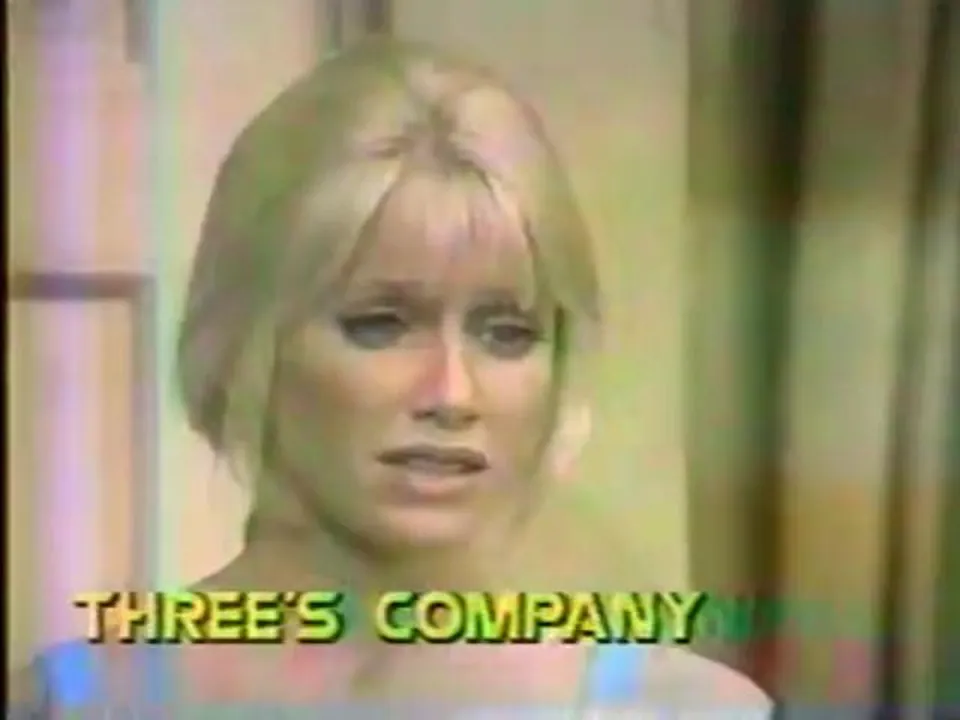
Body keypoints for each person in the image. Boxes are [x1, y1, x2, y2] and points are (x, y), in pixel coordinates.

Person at [9, 37, 772, 716]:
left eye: (506, 334)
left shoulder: (689, 712)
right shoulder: (78, 702)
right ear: (247, 341)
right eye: (380, 325)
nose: (451, 394)